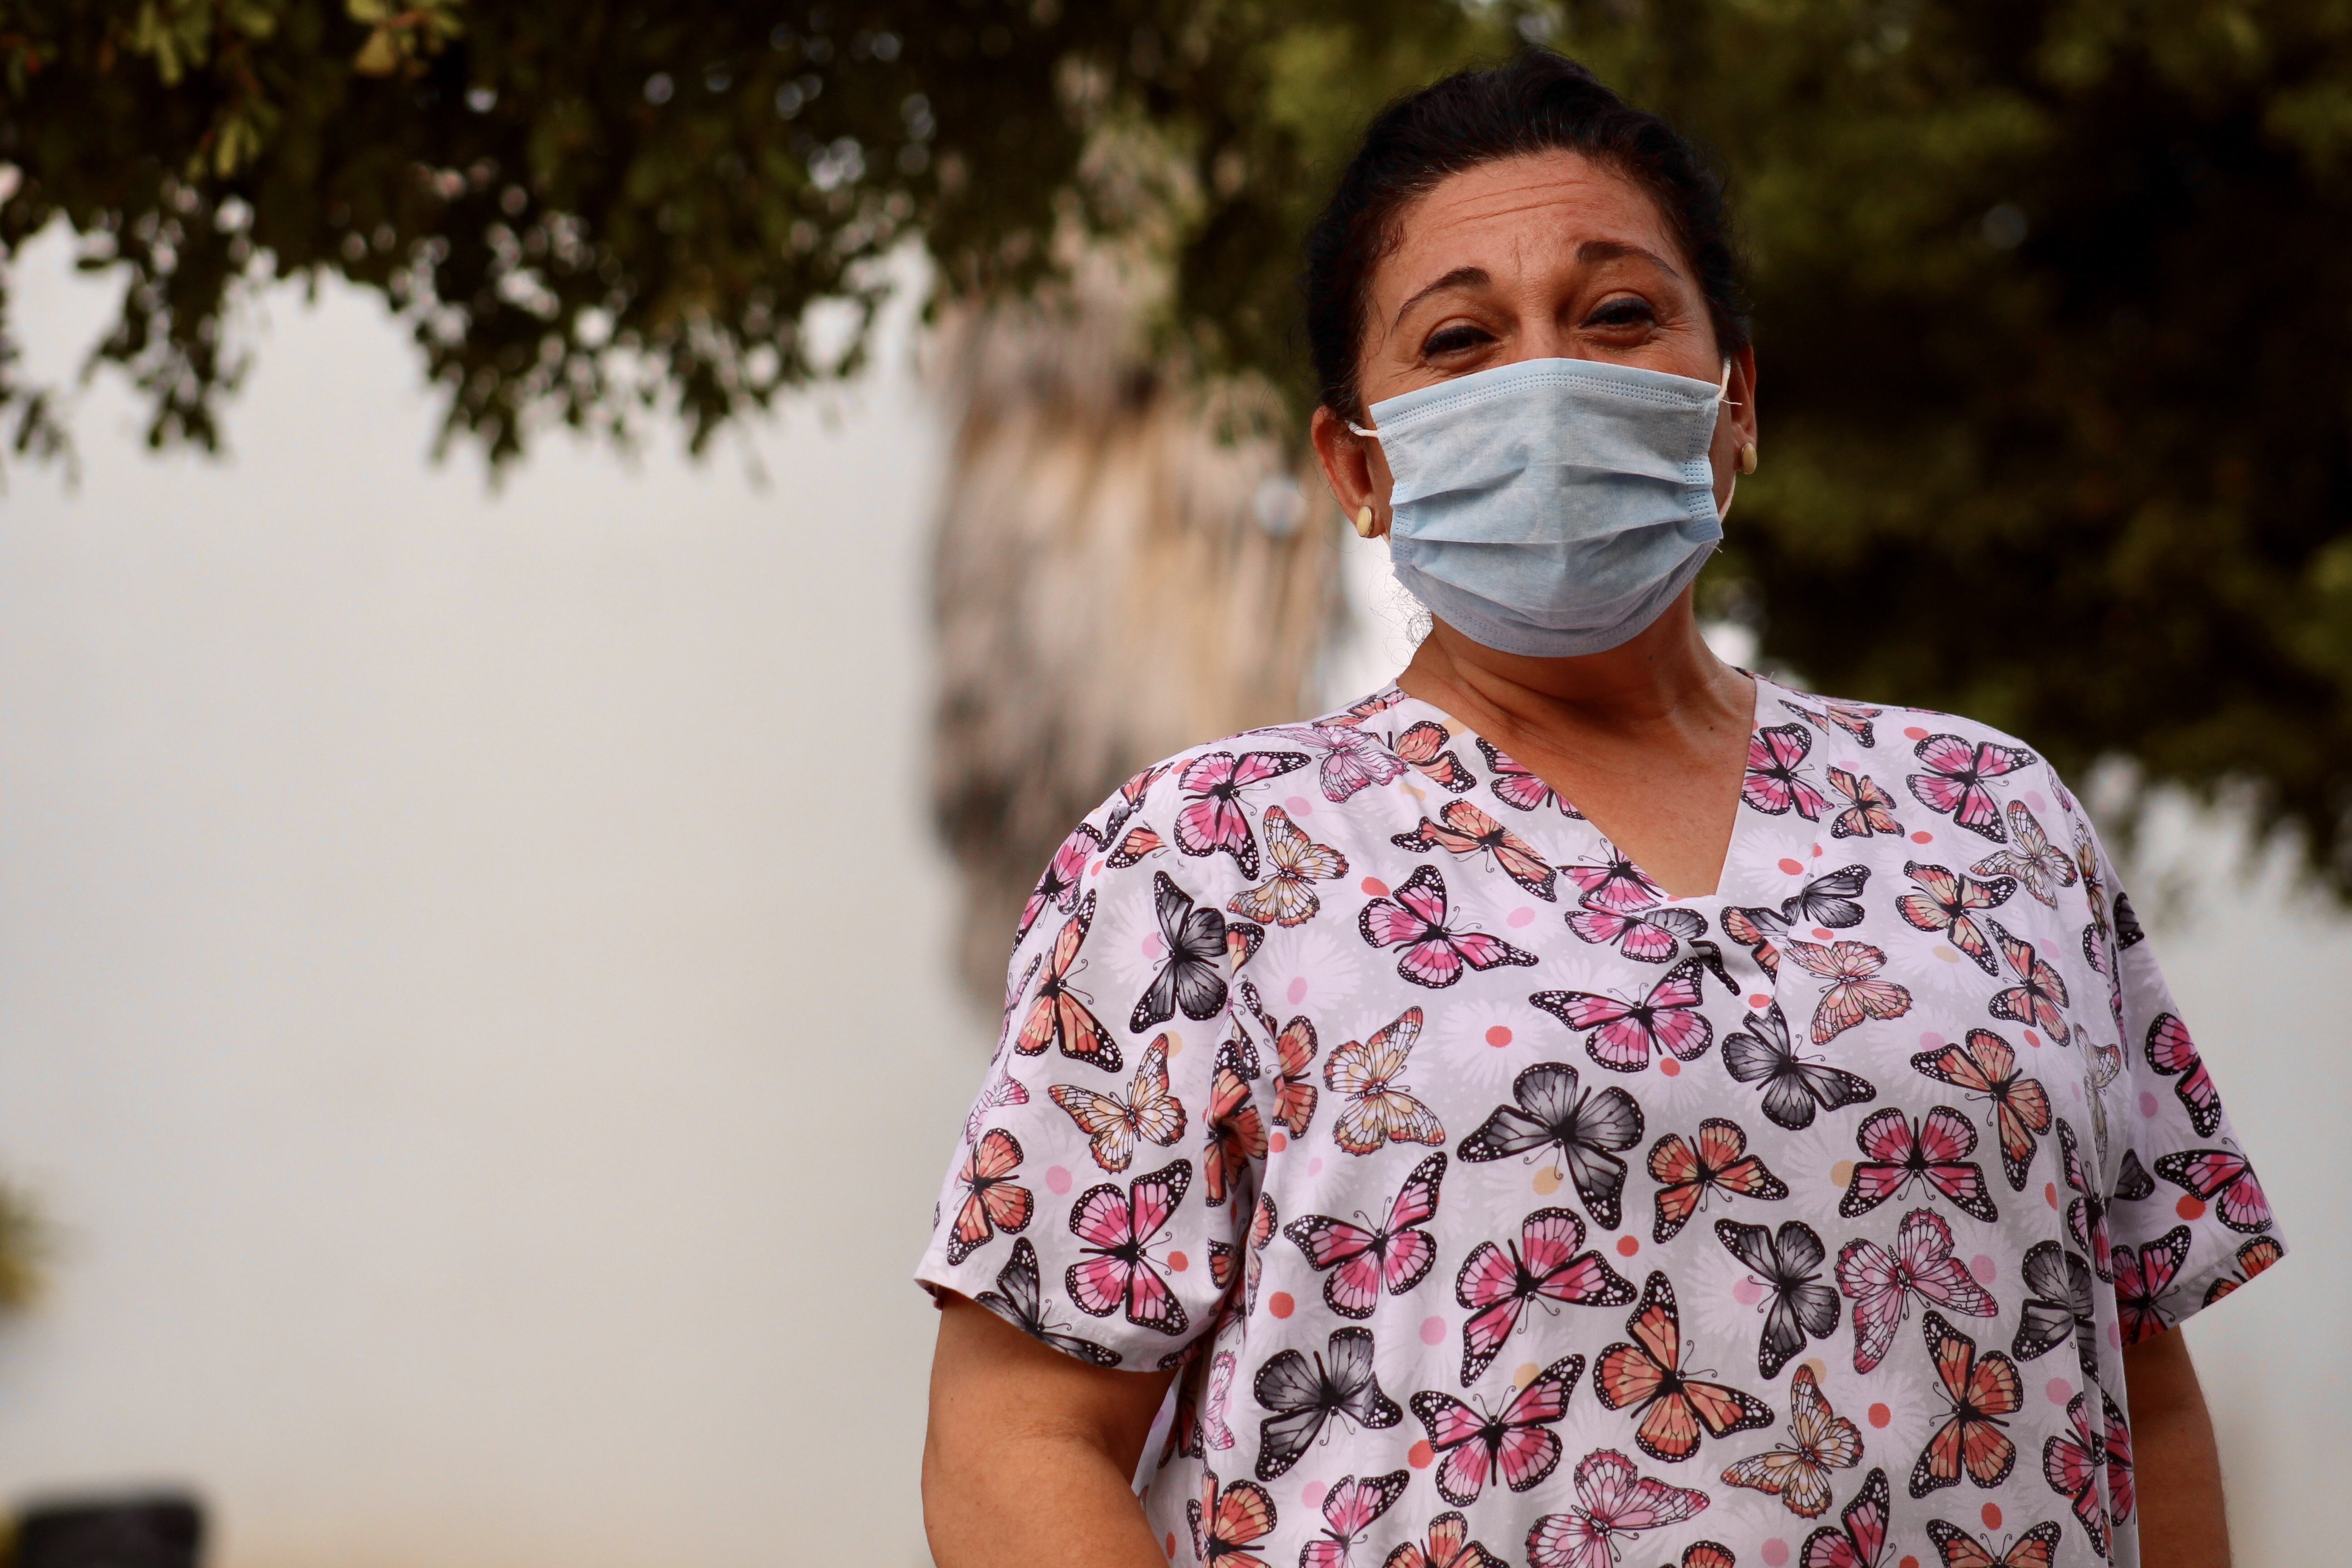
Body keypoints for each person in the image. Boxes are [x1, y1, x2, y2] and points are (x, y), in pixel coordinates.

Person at [916, 51, 2275, 1568]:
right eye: (1459, 338)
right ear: (1357, 467)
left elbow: (2141, 1390)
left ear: (1735, 400)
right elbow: (1016, 1446)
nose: (1548, 379)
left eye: (1619, 312)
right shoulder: (1207, 859)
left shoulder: (1990, 816)